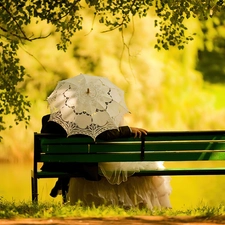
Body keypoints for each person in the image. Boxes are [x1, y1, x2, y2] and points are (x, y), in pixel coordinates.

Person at [41, 114, 172, 209]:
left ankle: (61, 185)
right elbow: (104, 135)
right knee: (150, 167)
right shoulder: (91, 117)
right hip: (90, 165)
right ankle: (142, 205)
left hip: (73, 165)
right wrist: (128, 130)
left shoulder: (52, 120)